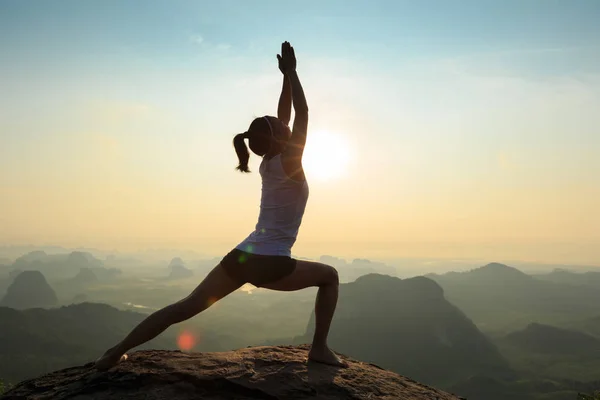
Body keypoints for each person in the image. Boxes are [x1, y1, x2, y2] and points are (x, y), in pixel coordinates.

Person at [95, 41, 346, 370]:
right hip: (270, 262)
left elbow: (284, 116)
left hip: (242, 256)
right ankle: (320, 349)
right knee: (330, 277)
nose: (283, 122)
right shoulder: (290, 161)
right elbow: (302, 114)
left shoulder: (269, 161)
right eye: (280, 125)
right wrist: (294, 73)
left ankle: (114, 352)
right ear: (281, 138)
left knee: (184, 307)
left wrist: (284, 76)